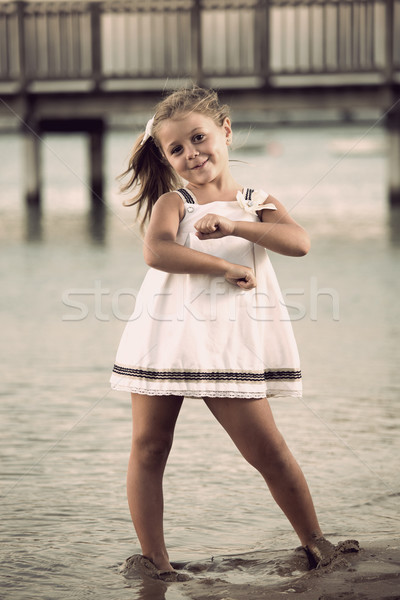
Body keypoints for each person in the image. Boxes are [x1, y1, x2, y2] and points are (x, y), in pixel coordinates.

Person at [110, 86, 338, 580]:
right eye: (177, 148)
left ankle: (317, 542)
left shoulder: (257, 202)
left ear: (226, 132)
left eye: (199, 138)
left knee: (267, 449)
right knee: (149, 445)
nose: (192, 153)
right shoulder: (175, 201)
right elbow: (157, 252)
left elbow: (298, 243)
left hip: (228, 343)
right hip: (166, 335)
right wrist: (218, 264)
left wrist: (237, 227)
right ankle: (156, 561)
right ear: (166, 157)